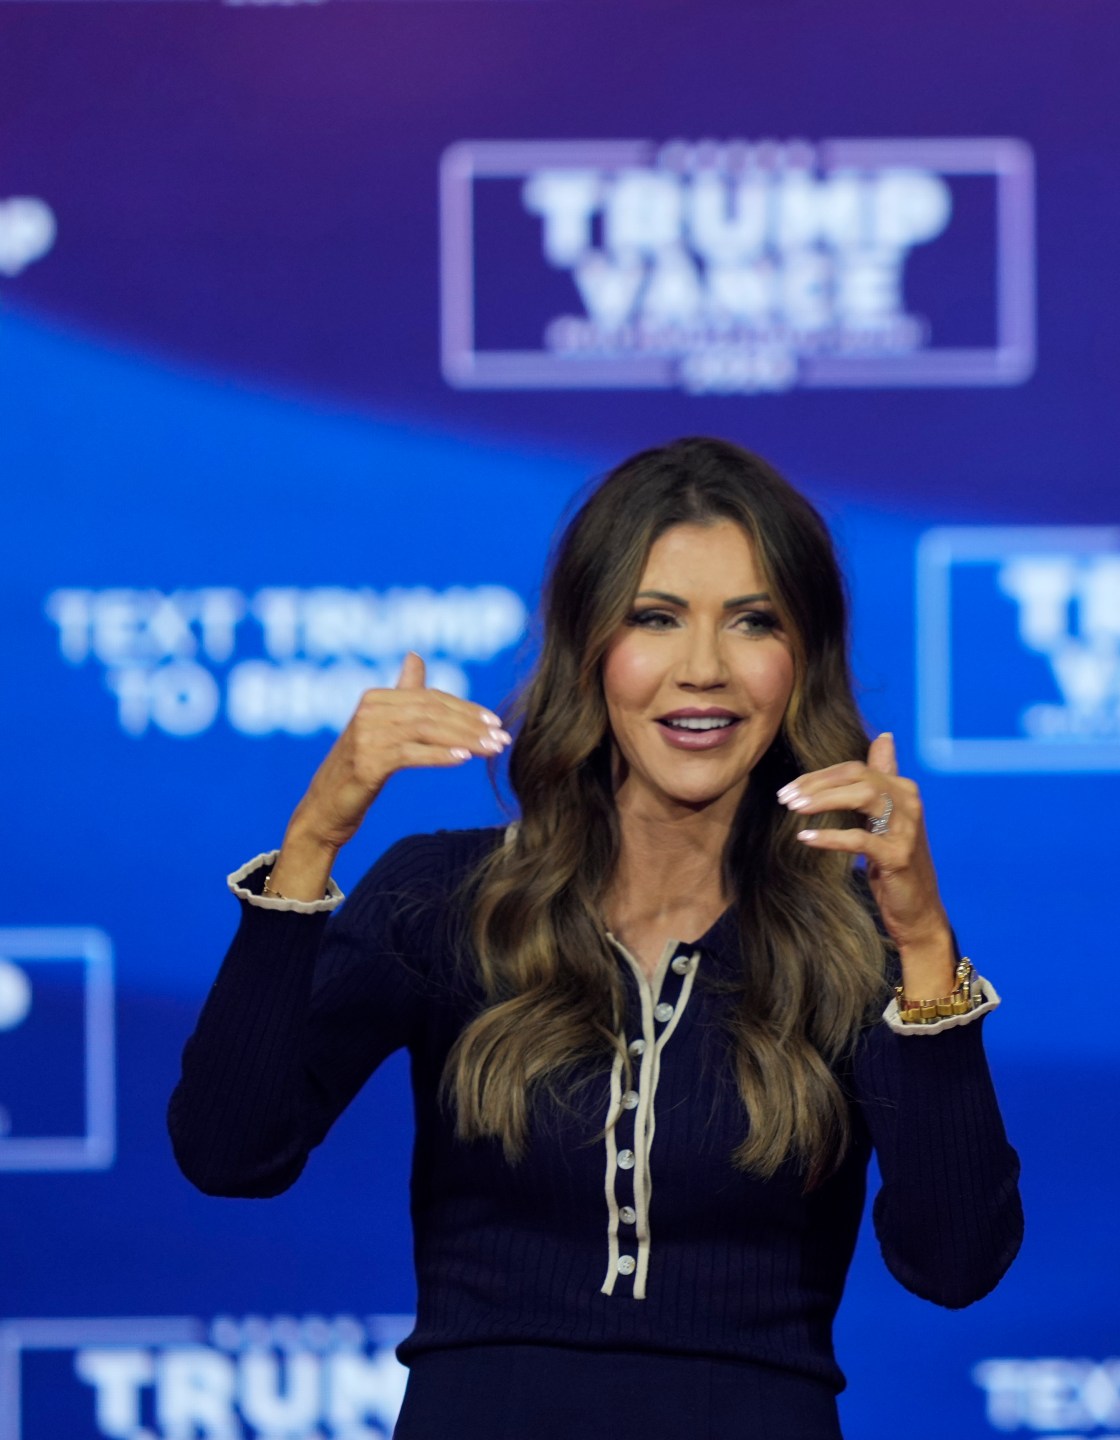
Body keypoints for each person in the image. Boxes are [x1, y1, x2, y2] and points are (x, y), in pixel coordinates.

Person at [170, 438, 1022, 1439]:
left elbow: (956, 1263)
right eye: (654, 619)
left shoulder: (854, 947)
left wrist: (921, 941)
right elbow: (230, 1151)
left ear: (800, 666)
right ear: (589, 650)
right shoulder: (448, 898)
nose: (702, 670)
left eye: (752, 623)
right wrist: (313, 837)